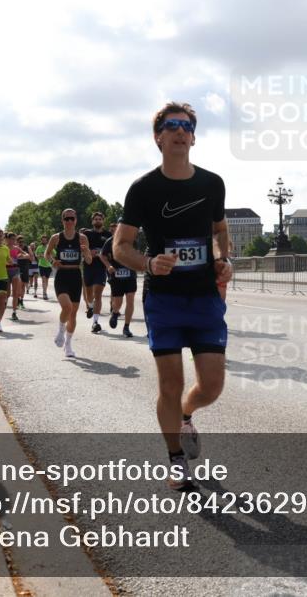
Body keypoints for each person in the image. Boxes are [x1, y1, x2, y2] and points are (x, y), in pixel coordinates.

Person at [114, 102, 232, 490]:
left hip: (204, 297)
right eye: (172, 126)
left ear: (193, 138)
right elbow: (121, 246)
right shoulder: (143, 188)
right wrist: (148, 264)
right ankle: (176, 459)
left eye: (187, 126)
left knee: (212, 387)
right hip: (163, 299)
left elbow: (218, 231)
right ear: (158, 137)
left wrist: (221, 259)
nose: (180, 131)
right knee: (169, 382)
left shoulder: (212, 183)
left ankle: (186, 413)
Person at [44, 209, 93, 357]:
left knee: (73, 315)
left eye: (72, 218)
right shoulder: (56, 237)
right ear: (62, 220)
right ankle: (60, 330)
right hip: (62, 274)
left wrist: (85, 253)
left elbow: (89, 260)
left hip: (76, 275)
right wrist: (53, 261)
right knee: (67, 307)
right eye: (67, 219)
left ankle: (68, 344)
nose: (70, 221)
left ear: (76, 220)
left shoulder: (82, 238)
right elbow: (47, 254)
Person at [101, 222, 136, 337]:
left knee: (130, 300)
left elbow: (137, 254)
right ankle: (115, 313)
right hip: (116, 275)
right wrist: (108, 266)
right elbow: (102, 255)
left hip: (130, 274)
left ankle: (126, 327)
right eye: (112, 229)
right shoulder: (109, 241)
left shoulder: (131, 240)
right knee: (118, 302)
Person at [81, 212, 109, 332]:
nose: (98, 221)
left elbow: (112, 250)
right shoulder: (86, 234)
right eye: (95, 219)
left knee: (98, 294)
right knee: (89, 295)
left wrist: (102, 254)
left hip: (101, 268)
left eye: (100, 219)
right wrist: (87, 252)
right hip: (88, 266)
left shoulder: (108, 235)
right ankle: (90, 307)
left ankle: (95, 322)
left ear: (103, 221)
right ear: (92, 221)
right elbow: (80, 248)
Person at [35, 234, 51, 300]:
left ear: (47, 240)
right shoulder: (39, 247)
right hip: (41, 265)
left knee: (46, 280)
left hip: (48, 265)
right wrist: (39, 256)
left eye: (45, 240)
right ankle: (44, 293)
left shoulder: (49, 246)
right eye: (43, 240)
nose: (44, 241)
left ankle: (45, 291)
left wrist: (50, 256)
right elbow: (36, 254)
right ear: (41, 240)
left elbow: (54, 253)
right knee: (43, 279)